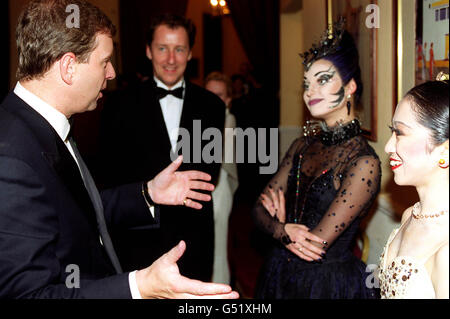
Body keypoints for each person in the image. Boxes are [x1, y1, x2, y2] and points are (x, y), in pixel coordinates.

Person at [0, 0, 238, 299]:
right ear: (69, 66)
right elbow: (27, 295)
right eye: (104, 61)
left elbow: (81, 211)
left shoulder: (46, 127)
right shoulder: (10, 156)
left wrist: (148, 192)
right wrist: (138, 286)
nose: (111, 73)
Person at [252, 20, 381, 299]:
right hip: (280, 273)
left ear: (350, 87)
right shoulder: (302, 146)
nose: (309, 91)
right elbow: (258, 211)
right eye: (306, 84)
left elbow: (315, 244)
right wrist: (283, 230)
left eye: (323, 80)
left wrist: (280, 229)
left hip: (327, 285)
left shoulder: (362, 162)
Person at [95, 14, 225, 282]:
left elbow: (207, 176)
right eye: (162, 48)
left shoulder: (212, 106)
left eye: (179, 49)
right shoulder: (118, 104)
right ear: (148, 50)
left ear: (189, 54)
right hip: (137, 241)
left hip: (193, 240)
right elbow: (107, 177)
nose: (170, 59)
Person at [379, 72, 449, 299]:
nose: (389, 147)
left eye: (399, 133)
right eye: (392, 132)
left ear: (445, 151)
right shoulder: (411, 214)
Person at [204, 72, 239, 284]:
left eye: (219, 95)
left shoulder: (227, 119)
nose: (213, 99)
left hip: (219, 186)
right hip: (205, 184)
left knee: (217, 245)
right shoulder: (203, 117)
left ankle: (220, 290)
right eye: (208, 94)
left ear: (228, 100)